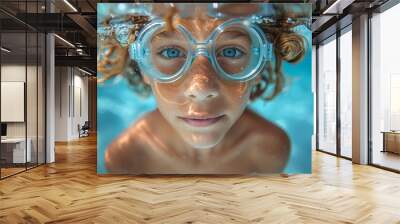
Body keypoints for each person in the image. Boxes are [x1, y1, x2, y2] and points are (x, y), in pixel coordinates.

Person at [98, 3, 307, 174]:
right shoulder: (126, 155)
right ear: (143, 66)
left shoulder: (268, 148)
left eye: (232, 52)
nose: (200, 87)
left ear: (259, 63)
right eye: (171, 52)